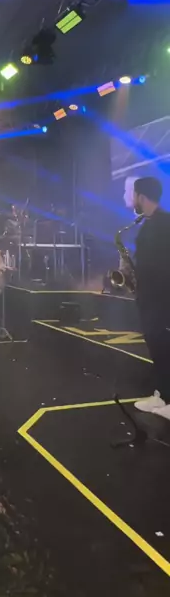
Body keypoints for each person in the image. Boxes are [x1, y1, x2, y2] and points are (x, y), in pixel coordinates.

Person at [131, 177, 170, 420]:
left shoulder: (164, 224)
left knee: (164, 346)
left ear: (141, 196)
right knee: (156, 346)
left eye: (133, 195)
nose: (131, 200)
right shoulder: (149, 223)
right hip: (149, 296)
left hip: (161, 298)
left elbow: (161, 264)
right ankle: (162, 395)